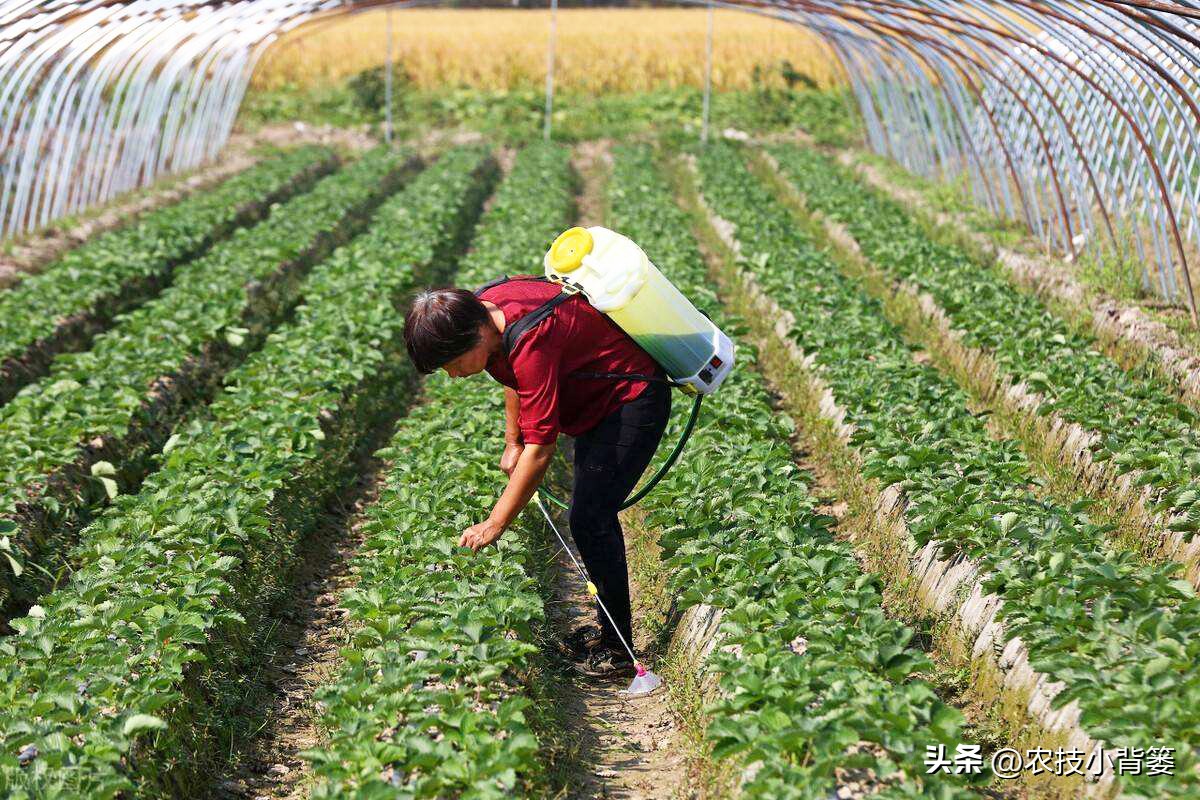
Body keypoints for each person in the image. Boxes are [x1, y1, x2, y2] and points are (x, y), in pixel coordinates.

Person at [402, 276, 671, 677]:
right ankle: (607, 633)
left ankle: (618, 649)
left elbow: (542, 451)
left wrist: (496, 523)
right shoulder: (488, 311)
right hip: (597, 402)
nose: (454, 376)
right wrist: (513, 440)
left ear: (475, 333)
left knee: (591, 518)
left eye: (453, 364)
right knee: (588, 514)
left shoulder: (531, 336)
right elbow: (514, 376)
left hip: (630, 398)